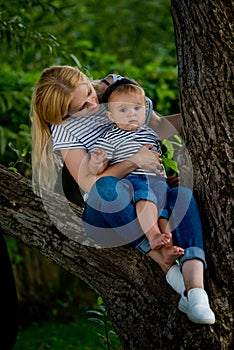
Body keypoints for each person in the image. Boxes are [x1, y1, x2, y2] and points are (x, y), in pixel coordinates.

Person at [31, 65, 215, 324]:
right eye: (81, 107)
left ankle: (196, 292)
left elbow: (157, 129)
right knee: (107, 189)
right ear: (64, 115)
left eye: (90, 94)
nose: (93, 105)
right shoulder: (64, 128)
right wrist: (135, 161)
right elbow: (89, 184)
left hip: (147, 189)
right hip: (109, 213)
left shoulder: (117, 87)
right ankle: (158, 256)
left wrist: (199, 115)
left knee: (181, 194)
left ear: (86, 80)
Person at [88, 78, 173, 251]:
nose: (131, 114)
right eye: (123, 110)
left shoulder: (150, 133)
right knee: (145, 197)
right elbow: (97, 171)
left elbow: (157, 159)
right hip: (133, 180)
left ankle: (168, 247)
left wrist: (164, 175)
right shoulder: (111, 137)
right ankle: (153, 236)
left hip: (156, 180)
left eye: (137, 108)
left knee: (164, 209)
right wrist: (97, 162)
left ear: (145, 110)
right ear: (111, 116)